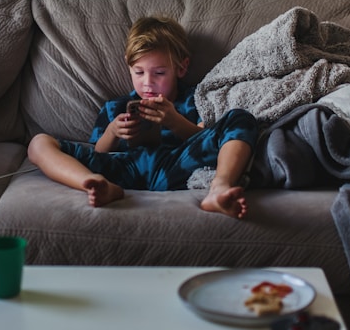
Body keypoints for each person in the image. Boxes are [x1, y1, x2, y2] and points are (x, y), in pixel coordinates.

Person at [27, 15, 258, 218]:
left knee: (240, 118)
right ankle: (96, 184)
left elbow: (206, 139)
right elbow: (99, 153)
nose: (147, 83)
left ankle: (220, 188)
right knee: (39, 143)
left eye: (159, 73)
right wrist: (113, 133)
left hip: (174, 163)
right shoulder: (115, 107)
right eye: (139, 72)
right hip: (124, 167)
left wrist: (176, 123)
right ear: (129, 68)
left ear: (181, 68)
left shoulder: (195, 99)